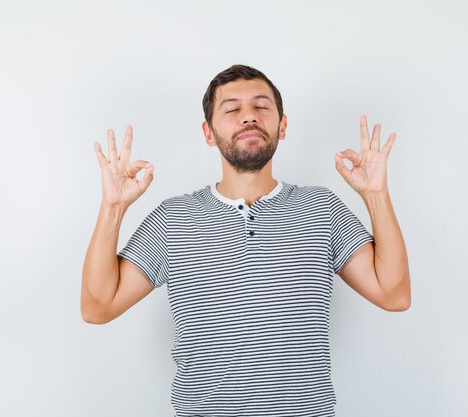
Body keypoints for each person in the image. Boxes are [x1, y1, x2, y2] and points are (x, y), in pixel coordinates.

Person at [81, 64, 411, 416]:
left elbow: (393, 295)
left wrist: (376, 197)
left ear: (282, 126)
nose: (249, 117)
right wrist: (112, 208)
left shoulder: (322, 209)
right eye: (233, 109)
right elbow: (98, 307)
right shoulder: (173, 219)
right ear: (209, 133)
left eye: (262, 107)